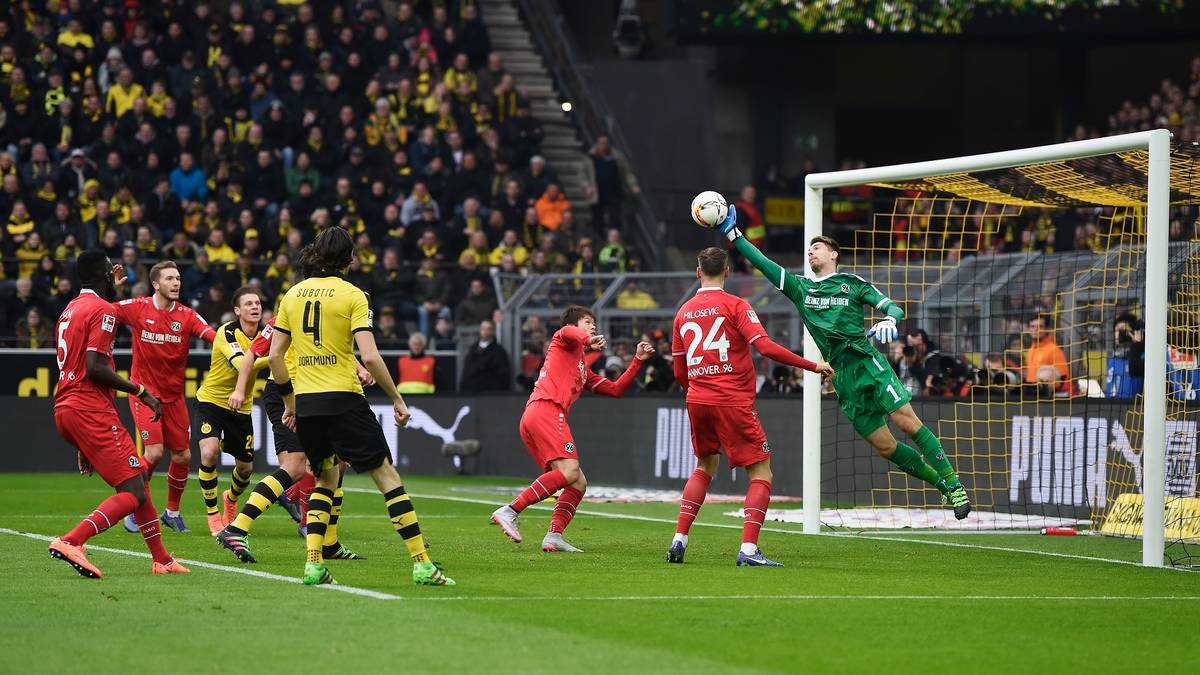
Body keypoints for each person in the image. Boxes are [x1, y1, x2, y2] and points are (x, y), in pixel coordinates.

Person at [721, 208, 971, 519]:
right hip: (842, 376)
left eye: (817, 247)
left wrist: (889, 320)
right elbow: (763, 264)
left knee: (906, 422)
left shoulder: (852, 283)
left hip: (867, 362)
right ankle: (942, 486)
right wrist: (735, 236)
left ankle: (954, 482)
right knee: (886, 448)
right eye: (809, 249)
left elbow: (893, 307)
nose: (811, 252)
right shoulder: (802, 289)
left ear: (833, 254)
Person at [269, 226, 453, 587]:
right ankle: (422, 563)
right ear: (350, 259)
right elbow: (368, 356)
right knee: (387, 478)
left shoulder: (291, 295)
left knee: (324, 479)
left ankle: (313, 564)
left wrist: (290, 403)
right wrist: (397, 398)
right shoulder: (354, 295)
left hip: (307, 403)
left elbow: (276, 356)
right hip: (344, 399)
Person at [666, 247, 832, 566]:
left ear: (698, 272)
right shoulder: (737, 305)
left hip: (697, 400)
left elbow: (678, 372)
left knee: (704, 467)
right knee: (760, 471)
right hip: (732, 401)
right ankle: (748, 549)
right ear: (727, 272)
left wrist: (700, 389)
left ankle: (679, 540)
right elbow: (765, 347)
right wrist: (812, 366)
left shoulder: (683, 312)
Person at [48, 249, 188, 577]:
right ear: (102, 275)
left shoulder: (70, 309)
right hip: (89, 407)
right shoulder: (101, 310)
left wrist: (84, 445)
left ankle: (162, 559)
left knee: (137, 478)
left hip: (66, 407)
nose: (117, 275)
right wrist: (139, 390)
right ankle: (73, 540)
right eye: (112, 272)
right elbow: (94, 368)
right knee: (133, 491)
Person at [490, 305, 654, 553]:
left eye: (593, 324)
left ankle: (554, 536)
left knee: (577, 482)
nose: (592, 326)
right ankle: (509, 511)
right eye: (587, 322)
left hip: (536, 415)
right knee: (570, 471)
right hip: (546, 409)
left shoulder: (581, 369)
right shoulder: (563, 340)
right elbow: (568, 332)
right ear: (575, 325)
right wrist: (588, 339)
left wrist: (638, 362)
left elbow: (616, 389)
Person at [217, 306, 371, 563]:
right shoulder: (287, 314)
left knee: (339, 463)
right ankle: (236, 529)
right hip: (286, 394)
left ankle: (329, 543)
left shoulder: (326, 311)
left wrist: (359, 368)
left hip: (316, 393)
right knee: (296, 467)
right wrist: (241, 390)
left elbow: (337, 347)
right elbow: (253, 353)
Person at [110, 261, 216, 535]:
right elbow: (104, 310)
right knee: (155, 452)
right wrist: (112, 288)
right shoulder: (138, 307)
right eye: (170, 278)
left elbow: (212, 336)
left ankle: (172, 512)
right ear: (156, 284)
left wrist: (236, 348)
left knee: (182, 456)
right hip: (144, 395)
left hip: (174, 397)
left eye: (178, 278)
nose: (176, 283)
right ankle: (134, 505)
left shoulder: (187, 315)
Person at [194, 287, 269, 535]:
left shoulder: (266, 334)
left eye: (257, 303)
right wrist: (274, 357)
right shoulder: (227, 332)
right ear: (237, 310)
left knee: (246, 469)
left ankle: (231, 498)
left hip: (241, 408)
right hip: (212, 402)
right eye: (248, 304)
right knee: (210, 452)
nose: (254, 307)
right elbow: (242, 364)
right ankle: (213, 514)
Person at [459, 319, 511, 393]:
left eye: (488, 329)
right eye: (483, 329)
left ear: (493, 331)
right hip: (470, 394)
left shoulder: (499, 352)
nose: (485, 332)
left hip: (489, 395)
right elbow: (465, 372)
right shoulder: (472, 350)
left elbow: (503, 377)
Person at [1024, 314, 1070, 393]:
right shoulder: (1031, 350)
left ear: (1047, 329)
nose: (1035, 329)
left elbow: (1064, 378)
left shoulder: (1054, 350)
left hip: (1045, 396)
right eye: (1032, 326)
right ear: (1028, 329)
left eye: (1040, 326)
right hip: (1030, 393)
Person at [1106, 313, 1144, 398]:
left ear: (1133, 332)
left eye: (1123, 329)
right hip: (1109, 406)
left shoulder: (1141, 357)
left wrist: (1137, 344)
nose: (1119, 333)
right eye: (1116, 330)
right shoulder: (1111, 359)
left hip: (1132, 407)